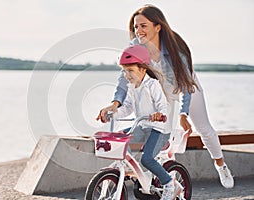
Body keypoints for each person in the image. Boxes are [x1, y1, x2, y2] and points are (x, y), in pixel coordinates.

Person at [97, 5, 234, 188]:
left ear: (158, 27)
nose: (138, 31)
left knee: (204, 128)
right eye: (136, 26)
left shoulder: (174, 49)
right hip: (159, 89)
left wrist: (183, 114)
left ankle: (221, 165)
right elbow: (124, 79)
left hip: (185, 85)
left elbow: (185, 85)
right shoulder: (134, 47)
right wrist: (114, 104)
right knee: (161, 130)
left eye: (144, 26)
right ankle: (168, 178)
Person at [110, 44, 181, 199]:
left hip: (159, 129)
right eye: (124, 71)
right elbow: (127, 107)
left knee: (147, 158)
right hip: (142, 126)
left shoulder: (152, 85)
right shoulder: (132, 86)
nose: (127, 75)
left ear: (142, 69)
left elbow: (163, 106)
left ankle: (169, 184)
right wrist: (113, 113)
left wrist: (159, 114)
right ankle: (132, 170)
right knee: (120, 139)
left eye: (130, 70)